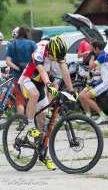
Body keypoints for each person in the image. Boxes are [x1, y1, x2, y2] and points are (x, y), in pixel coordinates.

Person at [18, 36, 75, 170]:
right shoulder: (40, 50)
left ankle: (42, 153)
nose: (56, 60)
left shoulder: (57, 51)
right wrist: (48, 84)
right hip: (27, 79)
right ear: (50, 52)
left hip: (39, 82)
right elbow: (42, 70)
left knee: (43, 118)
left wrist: (72, 90)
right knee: (35, 94)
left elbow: (64, 69)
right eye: (54, 57)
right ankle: (31, 127)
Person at [78, 40, 108, 124]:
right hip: (100, 80)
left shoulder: (102, 56)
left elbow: (91, 66)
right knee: (81, 96)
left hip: (106, 83)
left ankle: (102, 116)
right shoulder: (103, 56)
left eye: (92, 49)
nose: (91, 51)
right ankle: (88, 116)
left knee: (86, 97)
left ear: (97, 49)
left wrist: (91, 57)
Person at [6, 27, 37, 115]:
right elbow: (37, 58)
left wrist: (18, 68)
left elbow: (8, 61)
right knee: (33, 97)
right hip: (31, 75)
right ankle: (32, 120)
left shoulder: (12, 45)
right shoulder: (32, 43)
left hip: (17, 75)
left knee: (20, 99)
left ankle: (21, 121)